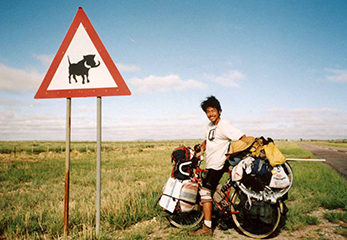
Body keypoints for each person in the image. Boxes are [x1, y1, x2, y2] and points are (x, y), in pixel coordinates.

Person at [189, 96, 245, 236]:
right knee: (211, 188)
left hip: (219, 164)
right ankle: (223, 210)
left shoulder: (224, 125)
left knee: (205, 191)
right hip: (211, 163)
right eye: (207, 112)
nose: (210, 114)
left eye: (213, 111)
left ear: (219, 111)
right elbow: (208, 141)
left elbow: (242, 137)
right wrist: (198, 149)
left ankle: (207, 227)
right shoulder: (210, 126)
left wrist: (232, 153)